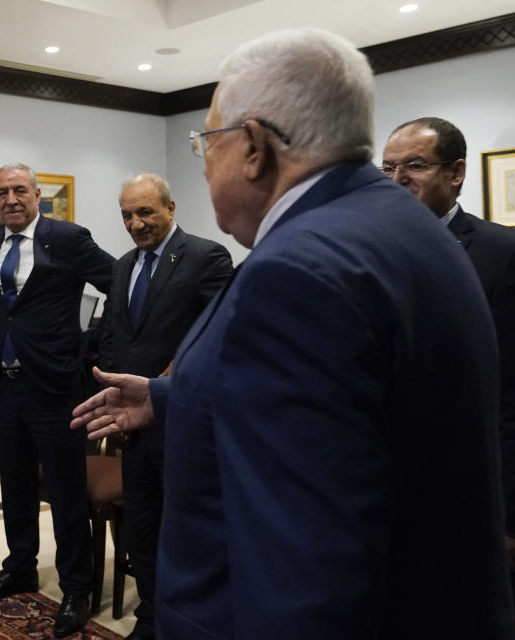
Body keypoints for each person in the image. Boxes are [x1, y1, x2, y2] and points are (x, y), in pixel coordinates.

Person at [71, 29, 514, 639]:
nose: (203, 163)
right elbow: (353, 412)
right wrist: (170, 396)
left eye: (207, 141)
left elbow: (303, 561)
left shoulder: (296, 270)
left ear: (253, 146)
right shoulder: (404, 229)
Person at [0, 163, 115, 636]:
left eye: (19, 191)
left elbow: (119, 284)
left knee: (64, 489)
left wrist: (89, 346)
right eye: (1, 193)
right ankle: (19, 567)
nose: (10, 199)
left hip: (56, 388)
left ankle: (76, 587)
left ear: (38, 196)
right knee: (14, 484)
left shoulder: (68, 239)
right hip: (7, 385)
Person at [98, 172, 232, 640]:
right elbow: (114, 337)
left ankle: (187, 620)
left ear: (171, 209)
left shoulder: (205, 256)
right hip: (134, 428)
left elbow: (219, 335)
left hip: (183, 422)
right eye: (127, 215)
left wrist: (163, 387)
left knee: (187, 532)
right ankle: (152, 617)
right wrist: (114, 396)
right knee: (143, 528)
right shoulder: (121, 266)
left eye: (146, 212)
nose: (136, 224)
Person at [383, 116, 515, 583]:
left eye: (414, 166)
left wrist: (507, 514)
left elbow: (509, 395)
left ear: (456, 172)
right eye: (388, 168)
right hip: (382, 493)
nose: (398, 180)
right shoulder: (365, 253)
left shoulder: (503, 253)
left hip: (468, 492)